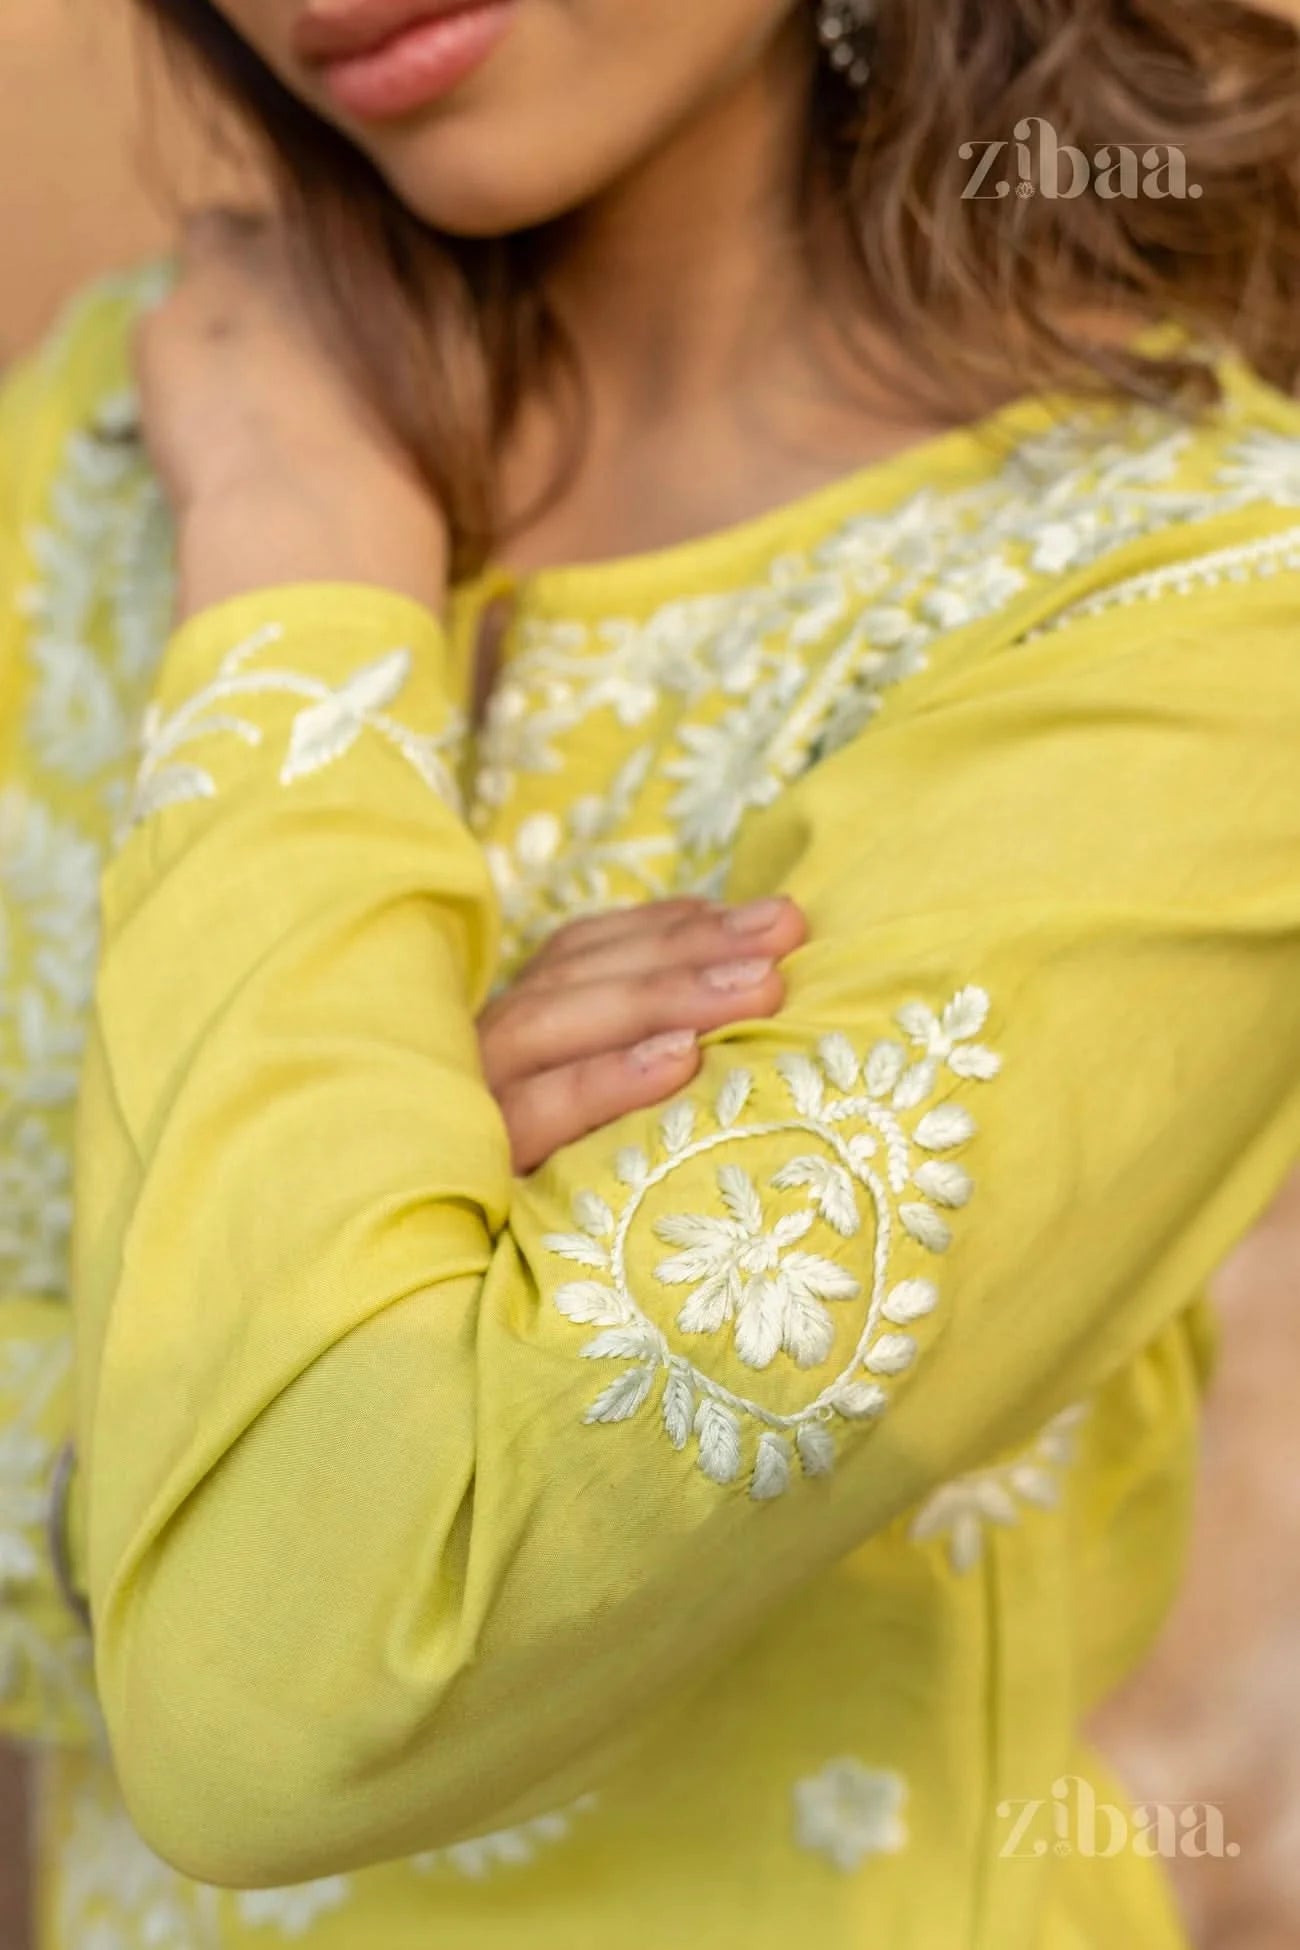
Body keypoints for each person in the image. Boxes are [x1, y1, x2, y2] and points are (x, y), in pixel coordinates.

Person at [2, 1, 1300, 1945]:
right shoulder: (133, 421)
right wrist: (360, 1188)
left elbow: (297, 1688)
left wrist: (296, 575)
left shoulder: (1191, 621)